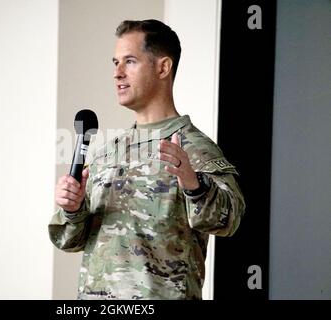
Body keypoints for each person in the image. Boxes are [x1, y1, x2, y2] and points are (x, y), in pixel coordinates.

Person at [49, 19, 245, 300]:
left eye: (129, 61)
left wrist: (194, 185)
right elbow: (70, 240)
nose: (117, 73)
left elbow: (231, 220)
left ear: (163, 67)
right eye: (115, 62)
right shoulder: (107, 154)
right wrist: (72, 208)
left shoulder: (193, 146)